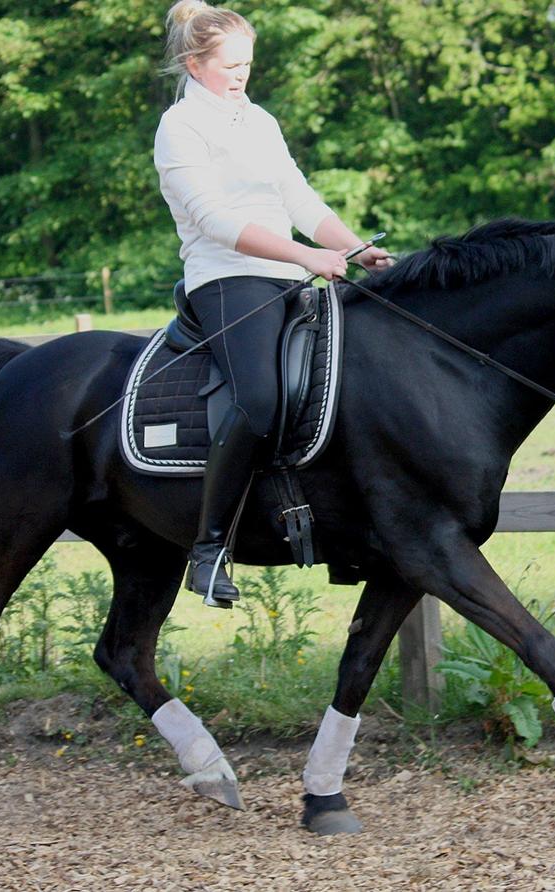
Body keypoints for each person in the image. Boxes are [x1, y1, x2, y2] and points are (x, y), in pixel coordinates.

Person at [156, 0, 391, 606]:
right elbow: (213, 220)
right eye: (231, 65)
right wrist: (305, 258)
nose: (241, 76)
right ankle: (208, 551)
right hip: (228, 279)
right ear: (193, 63)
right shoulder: (180, 128)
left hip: (286, 276)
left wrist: (354, 247)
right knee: (258, 397)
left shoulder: (257, 120)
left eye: (248, 65)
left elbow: (300, 200)